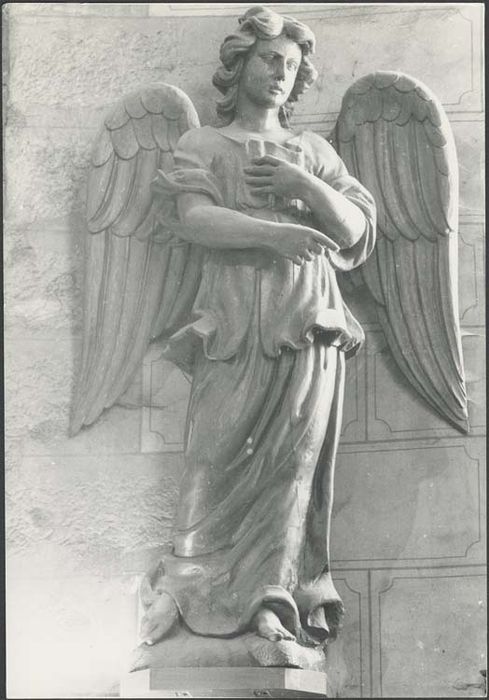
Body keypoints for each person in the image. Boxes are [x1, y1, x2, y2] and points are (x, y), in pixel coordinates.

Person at [141, 5, 376, 648]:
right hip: (233, 323)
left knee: (289, 467)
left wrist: (305, 186)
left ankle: (272, 602)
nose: (280, 72)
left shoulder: (314, 152)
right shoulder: (203, 145)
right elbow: (194, 220)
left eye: (292, 66)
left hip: (307, 325)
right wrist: (274, 235)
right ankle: (184, 593)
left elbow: (353, 230)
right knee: (209, 461)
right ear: (239, 63)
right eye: (269, 59)